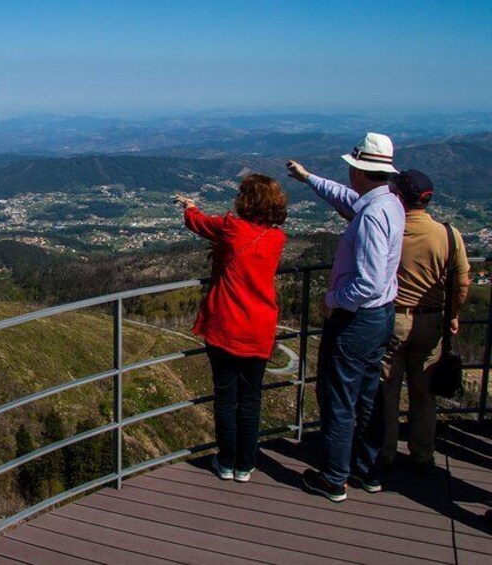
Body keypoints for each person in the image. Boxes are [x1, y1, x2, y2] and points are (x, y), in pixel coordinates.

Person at [286, 132, 405, 502]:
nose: (350, 174)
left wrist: (333, 299)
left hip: (357, 319)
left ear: (361, 171)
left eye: (352, 168)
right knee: (369, 396)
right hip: (382, 316)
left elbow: (368, 282)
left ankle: (334, 477)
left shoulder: (371, 218)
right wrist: (308, 179)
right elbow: (345, 198)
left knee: (339, 398)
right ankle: (367, 470)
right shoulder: (391, 204)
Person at [175, 173, 287, 483]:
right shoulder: (278, 238)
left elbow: (196, 223)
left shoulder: (230, 228)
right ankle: (245, 465)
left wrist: (189, 207)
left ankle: (225, 462)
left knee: (226, 398)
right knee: (251, 400)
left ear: (245, 201)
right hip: (260, 329)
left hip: (226, 327)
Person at [381, 170, 471, 473]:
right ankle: (422, 454)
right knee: (424, 393)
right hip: (431, 321)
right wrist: (453, 314)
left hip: (394, 318)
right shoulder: (448, 234)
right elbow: (462, 283)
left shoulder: (392, 229)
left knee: (388, 390)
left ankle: (385, 452)